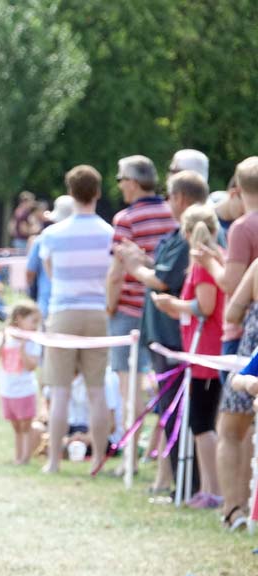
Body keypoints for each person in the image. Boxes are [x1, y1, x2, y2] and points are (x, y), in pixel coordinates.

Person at [112, 170, 208, 484]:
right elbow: (162, 269)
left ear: (180, 198)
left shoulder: (189, 237)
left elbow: (164, 280)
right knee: (168, 411)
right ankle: (175, 480)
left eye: (170, 195)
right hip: (161, 334)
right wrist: (143, 261)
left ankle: (185, 482)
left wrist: (134, 267)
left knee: (177, 412)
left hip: (173, 335)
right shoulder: (177, 234)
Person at [194, 156, 258, 530]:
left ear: (237, 188)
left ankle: (233, 508)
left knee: (232, 427)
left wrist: (211, 262)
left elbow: (232, 286)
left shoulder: (242, 228)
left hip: (244, 339)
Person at [39, 165, 113, 473]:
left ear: (70, 193)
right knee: (96, 391)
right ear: (97, 192)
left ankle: (54, 461)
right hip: (97, 311)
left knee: (60, 390)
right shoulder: (109, 233)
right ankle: (97, 459)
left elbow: (50, 272)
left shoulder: (52, 234)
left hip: (63, 311)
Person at [107, 155, 179, 474]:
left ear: (133, 183)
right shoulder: (172, 213)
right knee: (165, 385)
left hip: (129, 310)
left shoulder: (126, 218)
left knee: (129, 388)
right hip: (161, 310)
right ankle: (162, 457)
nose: (120, 186)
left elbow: (116, 272)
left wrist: (110, 306)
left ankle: (130, 459)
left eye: (121, 180)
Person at [151, 203, 224, 509]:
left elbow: (205, 306)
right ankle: (207, 489)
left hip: (205, 350)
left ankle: (212, 490)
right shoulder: (211, 258)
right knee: (201, 422)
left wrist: (173, 305)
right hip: (201, 348)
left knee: (202, 423)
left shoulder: (204, 262)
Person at [0, 300, 41, 464]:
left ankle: (25, 457)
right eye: (33, 321)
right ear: (19, 318)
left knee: (26, 425)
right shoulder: (3, 337)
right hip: (7, 390)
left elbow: (31, 366)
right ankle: (18, 456)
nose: (35, 325)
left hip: (25, 390)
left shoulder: (33, 341)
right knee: (16, 426)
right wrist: (2, 343)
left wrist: (23, 349)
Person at [27, 195, 75, 320]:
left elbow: (30, 272)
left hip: (48, 303)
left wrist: (31, 294)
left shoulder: (43, 238)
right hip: (78, 305)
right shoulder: (85, 240)